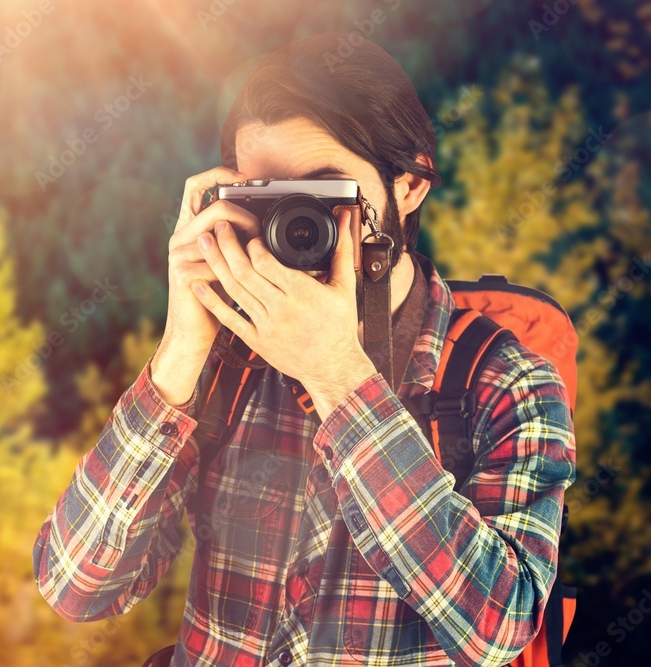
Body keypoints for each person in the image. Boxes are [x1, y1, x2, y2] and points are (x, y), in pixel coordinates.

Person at [33, 33, 576, 667]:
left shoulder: (507, 381)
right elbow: (75, 588)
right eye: (268, 197)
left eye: (325, 194)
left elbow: (497, 629)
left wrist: (339, 379)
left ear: (410, 184)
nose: (296, 224)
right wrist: (182, 345)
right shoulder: (222, 361)